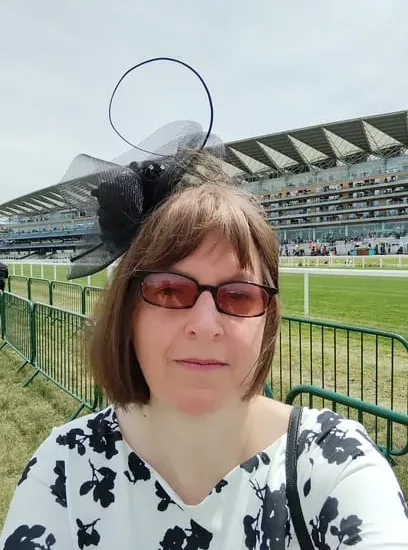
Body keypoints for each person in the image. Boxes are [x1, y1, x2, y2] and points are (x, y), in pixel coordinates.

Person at [1, 150, 407, 550]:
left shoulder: (336, 463)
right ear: (128, 314)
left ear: (267, 321)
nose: (205, 325)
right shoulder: (64, 469)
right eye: (170, 290)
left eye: (239, 296)